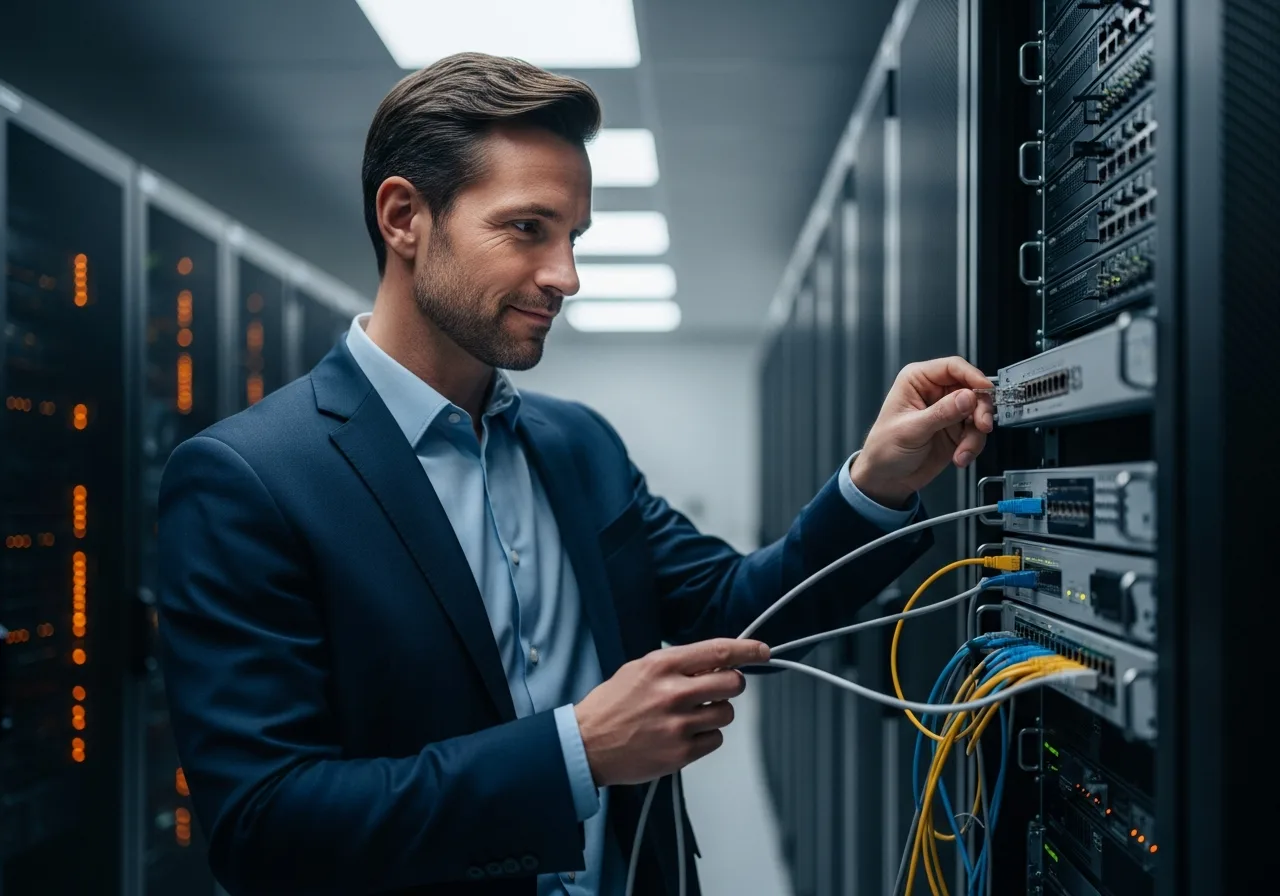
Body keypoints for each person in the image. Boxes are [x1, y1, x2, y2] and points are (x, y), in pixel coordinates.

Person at [156, 52, 995, 896]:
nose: (566, 276)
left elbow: (739, 608)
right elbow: (265, 825)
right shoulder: (251, 480)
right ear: (404, 217)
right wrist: (576, 753)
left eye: (573, 238)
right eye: (528, 228)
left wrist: (877, 482)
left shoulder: (577, 445)